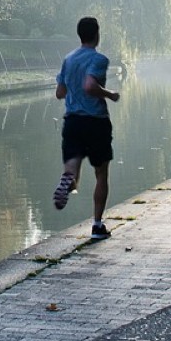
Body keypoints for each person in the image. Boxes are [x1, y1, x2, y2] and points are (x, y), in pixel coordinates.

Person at [53, 16, 120, 240]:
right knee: (101, 173)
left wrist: (73, 90)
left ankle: (67, 180)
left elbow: (59, 92)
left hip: (72, 121)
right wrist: (110, 94)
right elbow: (90, 85)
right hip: (95, 122)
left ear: (79, 35)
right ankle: (98, 226)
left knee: (71, 171)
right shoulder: (99, 59)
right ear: (97, 35)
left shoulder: (68, 59)